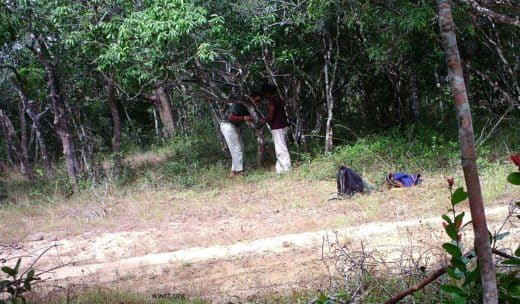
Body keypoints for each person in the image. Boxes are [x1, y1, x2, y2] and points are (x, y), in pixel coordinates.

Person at [220, 92, 262, 178]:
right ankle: (239, 171)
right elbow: (231, 117)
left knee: (240, 148)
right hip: (228, 125)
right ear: (251, 98)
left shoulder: (249, 107)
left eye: (259, 101)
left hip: (234, 126)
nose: (258, 103)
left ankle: (234, 171)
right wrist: (244, 118)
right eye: (257, 100)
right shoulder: (239, 104)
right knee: (237, 148)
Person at [260, 84, 291, 173]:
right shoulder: (279, 99)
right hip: (283, 125)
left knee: (281, 148)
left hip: (277, 127)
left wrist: (264, 120)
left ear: (267, 93)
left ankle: (287, 169)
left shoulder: (272, 100)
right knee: (280, 148)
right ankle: (280, 169)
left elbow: (271, 115)